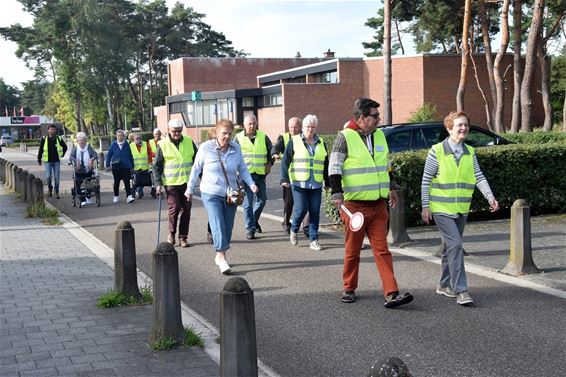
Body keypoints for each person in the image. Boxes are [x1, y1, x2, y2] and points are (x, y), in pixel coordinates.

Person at [329, 97, 413, 308]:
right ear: (362, 117)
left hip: (378, 205)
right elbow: (334, 167)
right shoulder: (344, 137)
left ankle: (392, 293)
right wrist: (337, 193)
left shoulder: (380, 137)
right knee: (352, 250)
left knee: (382, 250)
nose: (379, 119)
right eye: (375, 116)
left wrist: (391, 188)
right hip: (355, 207)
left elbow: (387, 166)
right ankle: (348, 288)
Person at [421, 111, 499, 306]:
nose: (463, 128)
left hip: (461, 209)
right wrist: (425, 206)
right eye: (459, 125)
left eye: (465, 125)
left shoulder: (469, 152)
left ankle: (444, 284)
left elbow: (478, 176)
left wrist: (490, 197)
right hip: (441, 208)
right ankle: (461, 290)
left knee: (450, 248)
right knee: (456, 245)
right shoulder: (436, 151)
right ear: (449, 128)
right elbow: (426, 181)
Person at [185, 119, 258, 274]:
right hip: (210, 192)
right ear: (216, 132)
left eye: (230, 134)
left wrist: (251, 183)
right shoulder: (206, 148)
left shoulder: (236, 148)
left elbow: (243, 169)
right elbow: (196, 169)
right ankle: (221, 256)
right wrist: (189, 189)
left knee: (227, 226)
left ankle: (220, 254)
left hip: (230, 194)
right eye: (224, 133)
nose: (227, 137)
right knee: (217, 221)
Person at [280, 115, 329, 251]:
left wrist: (328, 181)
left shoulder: (321, 142)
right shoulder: (294, 141)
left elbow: (326, 163)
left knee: (314, 211)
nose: (310, 130)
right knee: (301, 208)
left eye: (313, 127)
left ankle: (314, 239)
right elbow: (285, 161)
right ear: (303, 128)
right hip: (298, 182)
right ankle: (294, 229)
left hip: (316, 183)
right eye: (308, 127)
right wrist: (284, 179)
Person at [153, 119, 197, 248]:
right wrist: (158, 183)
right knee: (175, 207)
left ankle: (183, 237)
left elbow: (197, 162)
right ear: (168, 130)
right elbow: (156, 166)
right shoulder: (162, 144)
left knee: (187, 209)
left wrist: (204, 177)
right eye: (174, 131)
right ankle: (171, 233)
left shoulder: (189, 141)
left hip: (187, 182)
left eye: (179, 131)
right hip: (171, 183)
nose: (177, 133)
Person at [234, 114, 273, 239]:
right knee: (248, 203)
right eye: (249, 124)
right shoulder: (238, 138)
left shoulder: (263, 136)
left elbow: (271, 151)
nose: (252, 126)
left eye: (254, 123)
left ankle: (253, 220)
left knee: (262, 200)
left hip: (260, 174)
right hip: (245, 175)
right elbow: (233, 155)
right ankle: (250, 229)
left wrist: (270, 163)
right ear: (244, 125)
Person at [271, 117, 302, 234]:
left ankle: (306, 226)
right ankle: (286, 222)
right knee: (289, 201)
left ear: (300, 127)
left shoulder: (305, 138)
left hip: (302, 175)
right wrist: (274, 154)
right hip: (288, 176)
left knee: (303, 202)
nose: (293, 129)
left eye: (295, 127)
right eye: (291, 127)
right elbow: (276, 147)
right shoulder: (284, 138)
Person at [37, 124, 67, 199]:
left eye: (54, 129)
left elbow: (65, 147)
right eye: (51, 129)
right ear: (48, 130)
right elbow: (40, 149)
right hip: (48, 161)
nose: (53, 130)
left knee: (57, 177)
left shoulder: (58, 138)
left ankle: (57, 192)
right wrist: (39, 159)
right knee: (48, 177)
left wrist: (62, 154)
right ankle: (50, 189)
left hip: (56, 161)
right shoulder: (44, 139)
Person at [105, 129, 135, 204]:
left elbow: (130, 155)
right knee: (116, 182)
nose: (120, 137)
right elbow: (109, 155)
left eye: (121, 136)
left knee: (127, 181)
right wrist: (107, 165)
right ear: (116, 137)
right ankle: (116, 196)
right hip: (116, 166)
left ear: (124, 136)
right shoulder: (113, 144)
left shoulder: (127, 144)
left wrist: (132, 165)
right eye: (118, 136)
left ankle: (129, 196)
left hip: (126, 166)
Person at [69, 132, 98, 206]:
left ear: (85, 141)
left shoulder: (89, 148)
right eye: (80, 140)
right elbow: (71, 157)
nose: (81, 142)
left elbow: (95, 155)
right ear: (77, 141)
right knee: (77, 183)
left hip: (87, 170)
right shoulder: (75, 149)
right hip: (78, 171)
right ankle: (82, 199)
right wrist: (76, 161)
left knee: (89, 184)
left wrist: (91, 159)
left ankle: (88, 196)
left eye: (83, 140)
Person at [129, 133, 152, 199]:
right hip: (135, 167)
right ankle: (139, 191)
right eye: (137, 138)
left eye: (140, 138)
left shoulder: (145, 144)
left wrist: (150, 162)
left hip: (145, 166)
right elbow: (129, 156)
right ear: (134, 139)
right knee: (137, 181)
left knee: (144, 181)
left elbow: (149, 154)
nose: (139, 140)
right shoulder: (130, 146)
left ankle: (140, 191)